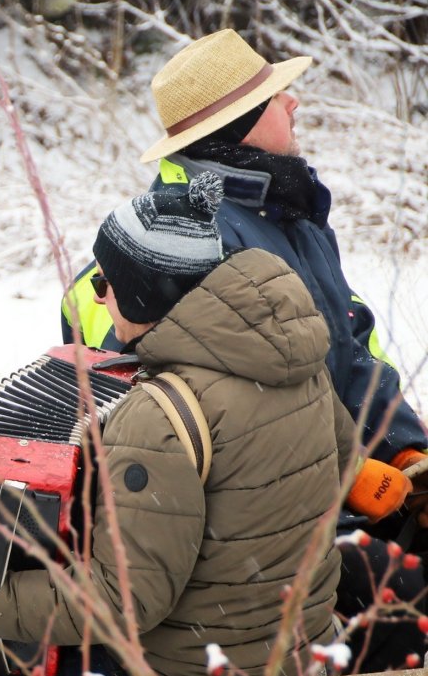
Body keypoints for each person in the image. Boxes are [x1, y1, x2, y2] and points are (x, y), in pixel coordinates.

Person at [0, 174, 348, 676]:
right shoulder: (297, 363)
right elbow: (338, 463)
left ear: (143, 292)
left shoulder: (160, 413)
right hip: (296, 656)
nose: (99, 296)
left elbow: (126, 600)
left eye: (106, 281)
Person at [59, 29, 427, 496]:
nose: (293, 102)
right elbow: (221, 409)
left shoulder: (289, 210)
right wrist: (345, 474)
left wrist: (401, 448)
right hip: (263, 512)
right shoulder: (183, 240)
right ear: (241, 125)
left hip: (322, 490)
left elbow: (346, 338)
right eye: (275, 96)